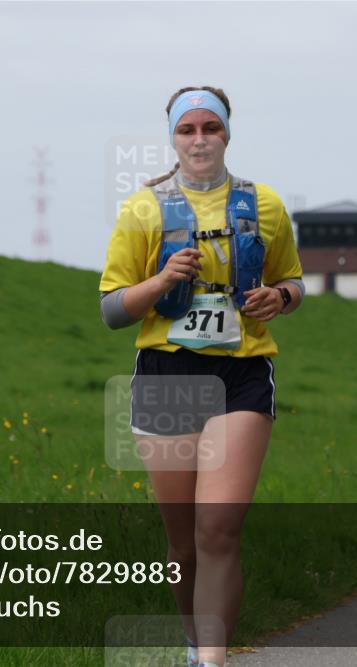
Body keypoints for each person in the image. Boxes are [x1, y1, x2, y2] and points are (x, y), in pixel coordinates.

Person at [99, 86, 304, 667]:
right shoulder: (143, 210)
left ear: (227, 134)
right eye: (187, 129)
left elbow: (294, 281)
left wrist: (279, 296)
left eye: (209, 128)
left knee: (218, 531)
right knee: (183, 545)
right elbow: (112, 310)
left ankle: (212, 660)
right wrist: (163, 282)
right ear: (172, 137)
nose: (198, 139)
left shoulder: (264, 204)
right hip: (166, 374)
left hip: (242, 373)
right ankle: (193, 644)